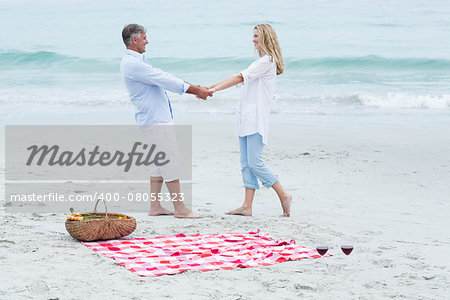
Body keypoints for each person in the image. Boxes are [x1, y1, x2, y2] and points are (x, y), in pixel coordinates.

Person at [120, 24, 210, 218]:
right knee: (170, 161)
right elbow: (165, 79)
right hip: (155, 120)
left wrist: (194, 87)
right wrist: (196, 90)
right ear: (134, 40)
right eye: (144, 37)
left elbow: (164, 77)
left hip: (151, 118)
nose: (147, 41)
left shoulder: (136, 61)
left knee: (158, 163)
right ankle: (180, 208)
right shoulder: (134, 64)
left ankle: (155, 207)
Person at [208, 24, 292, 217]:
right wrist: (208, 88)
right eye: (253, 36)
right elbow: (238, 78)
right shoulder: (259, 62)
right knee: (246, 164)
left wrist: (211, 90)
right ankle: (247, 206)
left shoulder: (267, 61)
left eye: (256, 36)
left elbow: (238, 77)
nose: (253, 39)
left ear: (266, 38)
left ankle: (284, 195)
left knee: (255, 163)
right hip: (245, 119)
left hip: (255, 120)